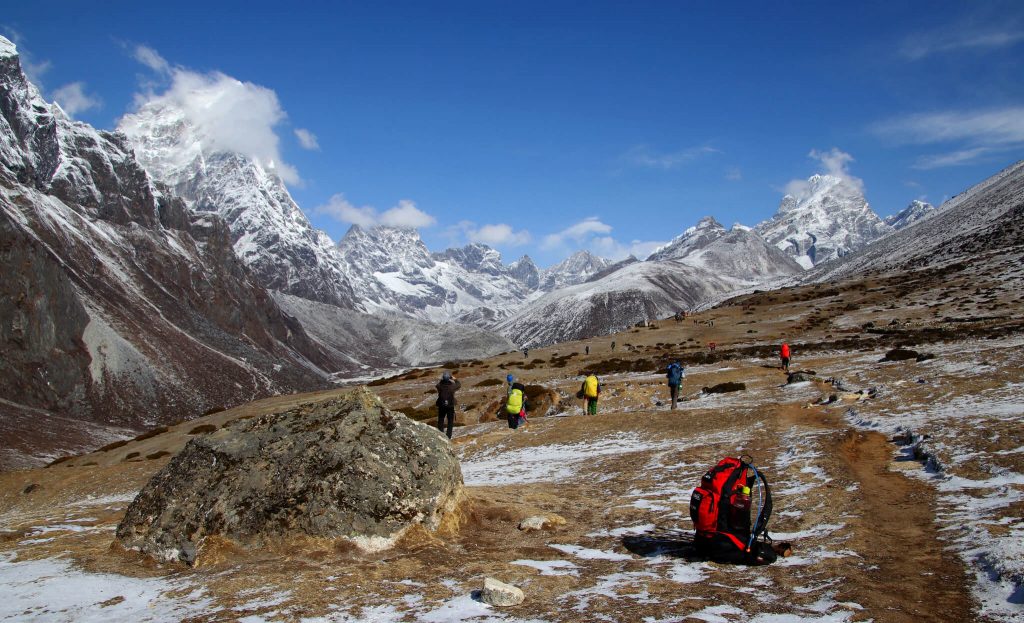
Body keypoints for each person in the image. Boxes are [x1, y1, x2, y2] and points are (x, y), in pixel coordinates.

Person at [435, 371, 461, 439]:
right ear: (449, 378)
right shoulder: (452, 386)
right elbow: (459, 384)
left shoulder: (439, 386)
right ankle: (448, 436)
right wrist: (454, 379)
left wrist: (442, 379)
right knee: (450, 421)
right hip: (450, 406)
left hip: (441, 405)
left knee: (441, 420)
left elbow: (437, 385)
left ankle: (441, 434)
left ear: (443, 378)